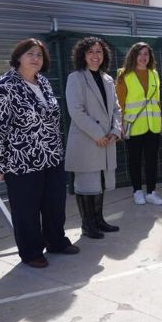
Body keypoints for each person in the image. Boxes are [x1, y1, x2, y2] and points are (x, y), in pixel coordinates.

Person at [0, 38, 79, 268]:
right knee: (26, 209)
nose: (36, 59)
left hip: (52, 156)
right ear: (18, 57)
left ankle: (56, 241)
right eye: (30, 54)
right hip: (21, 161)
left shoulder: (43, 82)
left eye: (39, 55)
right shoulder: (4, 87)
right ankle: (31, 251)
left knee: (54, 203)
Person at [65, 36, 122, 239]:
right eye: (90, 52)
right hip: (87, 141)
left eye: (99, 51)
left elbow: (116, 108)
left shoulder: (108, 79)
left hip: (107, 140)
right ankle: (87, 226)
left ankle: (99, 220)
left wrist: (116, 130)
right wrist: (98, 134)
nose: (95, 56)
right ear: (83, 55)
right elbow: (76, 111)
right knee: (86, 184)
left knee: (100, 182)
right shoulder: (76, 78)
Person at [117, 42, 162, 205]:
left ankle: (151, 192)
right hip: (133, 125)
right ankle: (137, 191)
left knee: (152, 160)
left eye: (146, 54)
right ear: (133, 56)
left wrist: (160, 122)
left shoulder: (154, 74)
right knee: (134, 160)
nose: (143, 57)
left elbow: (156, 101)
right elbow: (120, 103)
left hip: (153, 125)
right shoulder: (124, 75)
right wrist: (121, 124)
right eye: (140, 54)